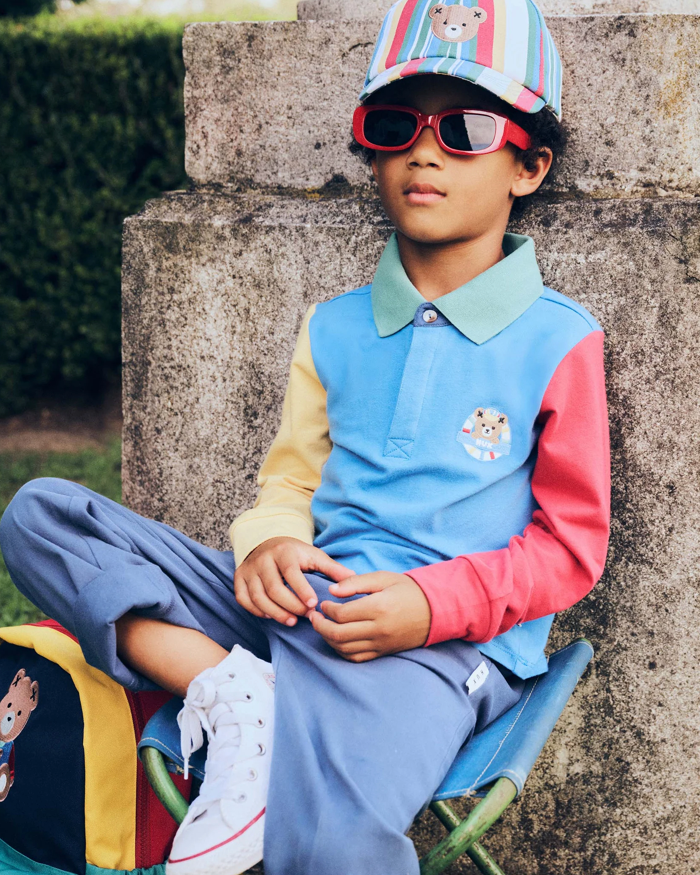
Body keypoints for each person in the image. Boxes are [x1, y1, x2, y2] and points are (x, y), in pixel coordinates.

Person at [0, 0, 611, 872]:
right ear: (371, 146)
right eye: (396, 123)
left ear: (529, 164)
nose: (425, 149)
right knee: (39, 513)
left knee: (327, 839)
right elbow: (289, 483)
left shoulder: (560, 340)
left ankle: (271, 749)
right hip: (286, 615)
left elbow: (569, 548)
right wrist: (270, 546)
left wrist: (430, 606)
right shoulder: (335, 328)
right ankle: (229, 691)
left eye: (467, 127)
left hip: (434, 653)